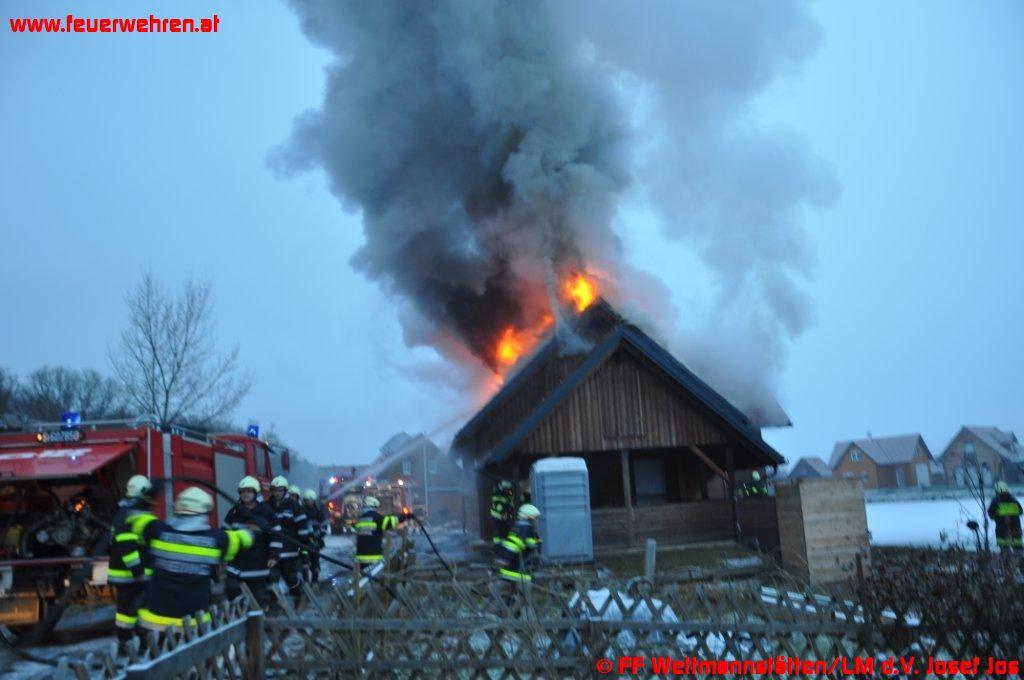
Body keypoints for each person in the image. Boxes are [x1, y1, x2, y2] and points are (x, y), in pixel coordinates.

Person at [129, 487, 253, 636]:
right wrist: (251, 532)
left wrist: (147, 496)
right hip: (193, 622)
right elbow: (244, 539)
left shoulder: (157, 531)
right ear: (206, 512)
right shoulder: (217, 539)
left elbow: (136, 520)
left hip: (154, 620)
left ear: (177, 508)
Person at [108, 474, 156, 651]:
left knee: (125, 612)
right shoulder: (130, 513)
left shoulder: (124, 510)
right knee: (140, 609)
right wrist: (138, 572)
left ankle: (125, 642)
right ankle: (144, 644)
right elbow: (127, 546)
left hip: (123, 575)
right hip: (132, 575)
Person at [224, 476, 281, 607]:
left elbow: (277, 535)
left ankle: (260, 620)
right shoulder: (233, 512)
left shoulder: (266, 512)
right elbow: (224, 534)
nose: (245, 494)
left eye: (249, 491)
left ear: (256, 493)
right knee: (231, 588)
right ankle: (240, 616)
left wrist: (274, 555)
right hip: (237, 560)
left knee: (259, 596)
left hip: (259, 561)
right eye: (243, 492)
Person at [266, 476, 304, 600]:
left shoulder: (294, 506)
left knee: (290, 577)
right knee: (271, 577)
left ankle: (297, 597)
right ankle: (274, 603)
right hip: (272, 550)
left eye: (280, 490)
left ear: (285, 491)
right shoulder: (267, 506)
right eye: (274, 490)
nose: (277, 493)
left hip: (289, 549)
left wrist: (303, 545)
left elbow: (302, 527)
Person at [354, 496, 413, 570]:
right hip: (373, 558)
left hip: (360, 558)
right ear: (374, 507)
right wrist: (405, 516)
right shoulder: (376, 518)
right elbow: (391, 521)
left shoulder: (360, 520)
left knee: (363, 579)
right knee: (373, 579)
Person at [494, 504, 542, 583]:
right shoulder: (525, 530)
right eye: (536, 518)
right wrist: (503, 560)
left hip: (517, 570)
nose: (537, 521)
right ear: (529, 518)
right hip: (518, 573)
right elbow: (511, 546)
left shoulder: (520, 528)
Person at [987, 481, 1023, 552]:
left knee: (1005, 554)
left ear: (997, 490)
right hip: (1015, 530)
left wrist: (997, 516)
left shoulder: (995, 501)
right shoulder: (1014, 500)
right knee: (1019, 552)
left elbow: (990, 514)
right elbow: (1021, 512)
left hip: (1002, 531)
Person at [301, 489, 326, 582]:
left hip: (315, 542)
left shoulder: (318, 512)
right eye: (307, 500)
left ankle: (315, 581)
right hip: (304, 542)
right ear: (305, 501)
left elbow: (324, 526)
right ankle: (305, 581)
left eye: (311, 500)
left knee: (315, 562)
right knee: (304, 562)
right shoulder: (301, 512)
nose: (309, 502)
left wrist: (320, 535)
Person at [490, 480, 515, 545]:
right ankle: (497, 544)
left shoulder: (506, 493)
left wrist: (510, 503)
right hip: (496, 515)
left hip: (503, 516)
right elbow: (499, 508)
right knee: (497, 530)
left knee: (504, 529)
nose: (508, 491)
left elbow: (510, 504)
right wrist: (507, 503)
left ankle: (503, 543)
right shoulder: (496, 493)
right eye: (507, 489)